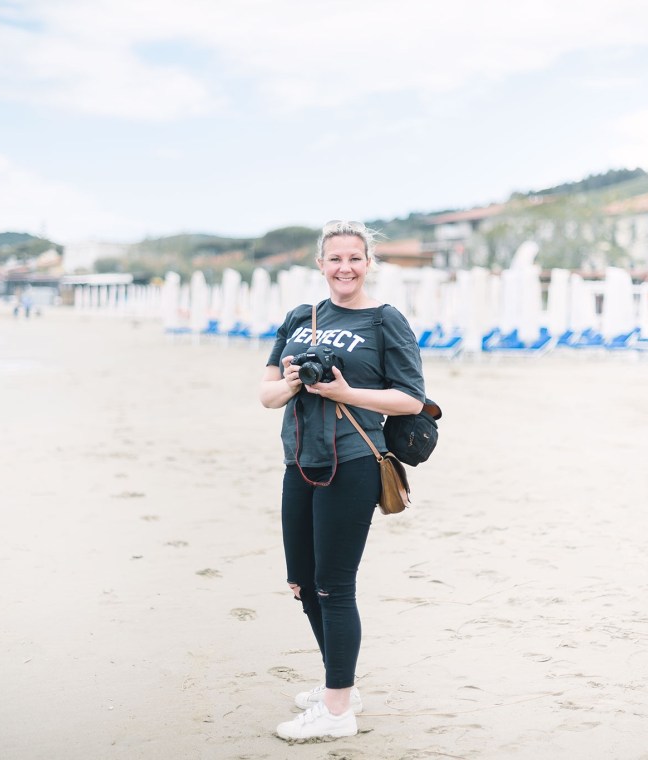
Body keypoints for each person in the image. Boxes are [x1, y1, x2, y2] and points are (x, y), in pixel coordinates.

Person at [259, 220, 426, 741]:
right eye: (335, 259)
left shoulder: (384, 320)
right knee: (303, 584)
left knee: (334, 586)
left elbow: (411, 399)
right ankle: (342, 686)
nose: (345, 268)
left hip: (354, 462)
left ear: (368, 264)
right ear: (321, 264)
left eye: (355, 258)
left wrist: (344, 393)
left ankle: (336, 712)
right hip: (299, 461)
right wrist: (293, 382)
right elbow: (266, 394)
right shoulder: (300, 318)